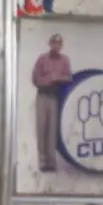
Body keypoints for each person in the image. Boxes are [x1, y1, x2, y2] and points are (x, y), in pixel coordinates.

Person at [30, 33, 72, 172]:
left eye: (59, 43)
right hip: (43, 96)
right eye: (54, 43)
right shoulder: (42, 59)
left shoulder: (65, 60)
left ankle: (52, 161)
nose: (56, 46)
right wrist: (48, 79)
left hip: (55, 97)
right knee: (42, 128)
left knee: (52, 129)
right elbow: (35, 78)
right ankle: (43, 161)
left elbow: (68, 77)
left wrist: (56, 77)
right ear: (50, 44)